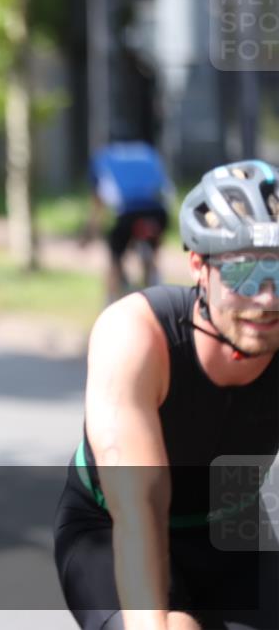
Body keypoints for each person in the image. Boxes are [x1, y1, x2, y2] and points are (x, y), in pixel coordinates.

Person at [54, 160, 279, 630]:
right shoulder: (136, 336)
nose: (266, 298)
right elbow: (139, 510)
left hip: (233, 525)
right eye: (242, 272)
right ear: (199, 265)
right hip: (115, 526)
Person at [85, 138, 175, 302]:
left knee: (115, 257)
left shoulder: (103, 157)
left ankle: (110, 301)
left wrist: (90, 231)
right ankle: (156, 292)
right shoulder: (148, 152)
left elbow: (99, 202)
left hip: (128, 213)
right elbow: (167, 189)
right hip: (157, 212)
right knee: (153, 253)